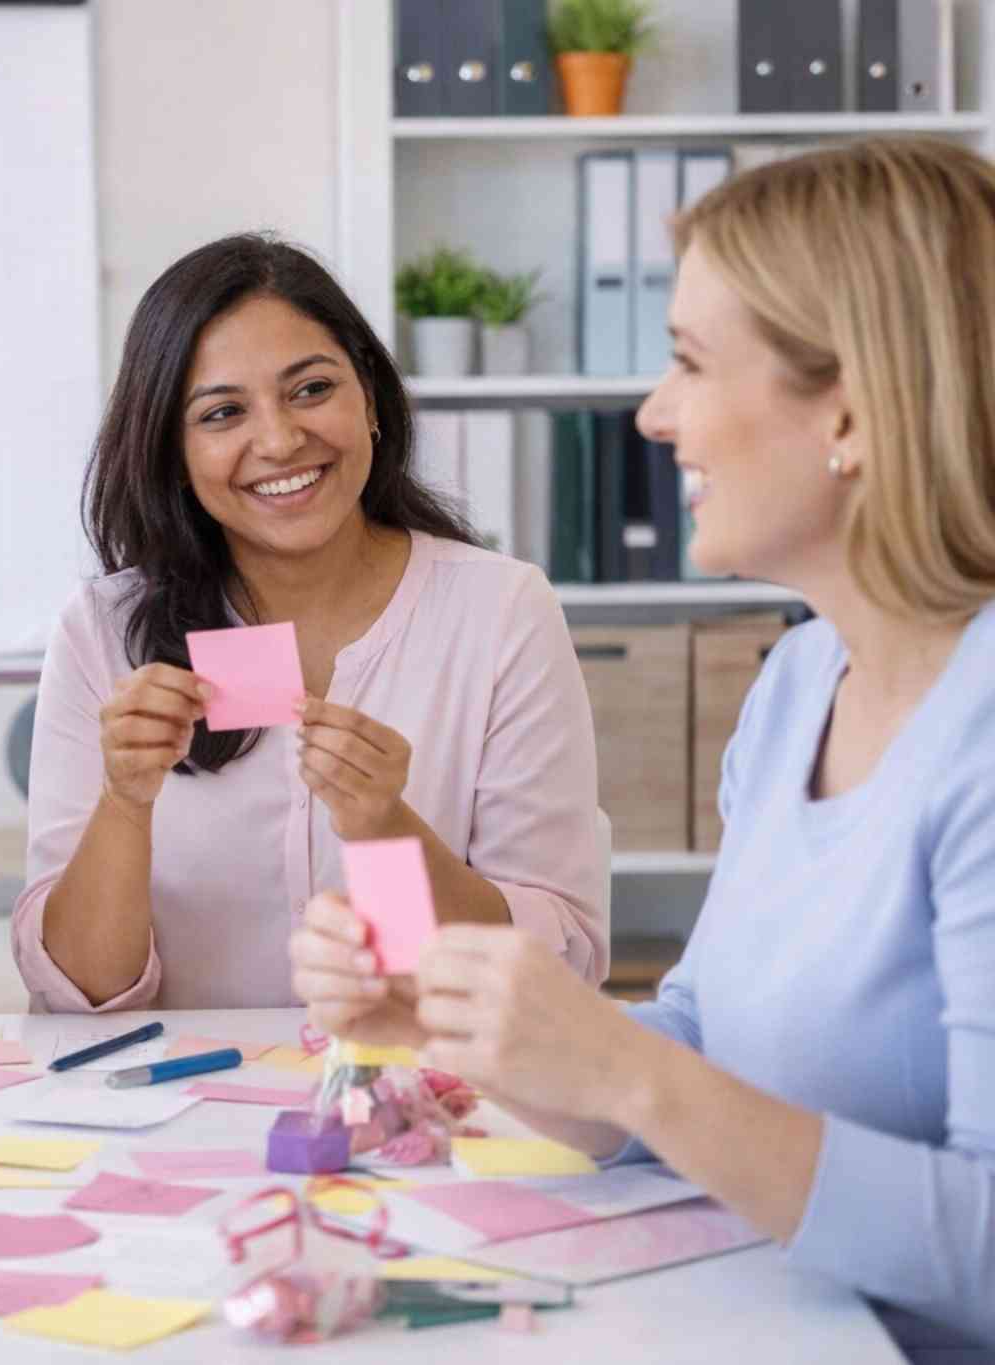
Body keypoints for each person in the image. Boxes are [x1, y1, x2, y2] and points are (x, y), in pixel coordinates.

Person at [320, 138, 995, 1361]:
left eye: (687, 362)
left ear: (847, 407)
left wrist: (632, 1078)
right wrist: (458, 1022)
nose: (650, 412)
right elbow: (695, 1039)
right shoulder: (798, 684)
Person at [14, 233, 608, 1013]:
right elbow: (83, 994)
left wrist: (382, 831)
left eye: (310, 389)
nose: (280, 439)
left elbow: (552, 970)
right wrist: (126, 801)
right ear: (172, 452)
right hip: (173, 1109)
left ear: (369, 397)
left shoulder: (498, 613)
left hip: (412, 1094)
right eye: (223, 412)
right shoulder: (102, 630)